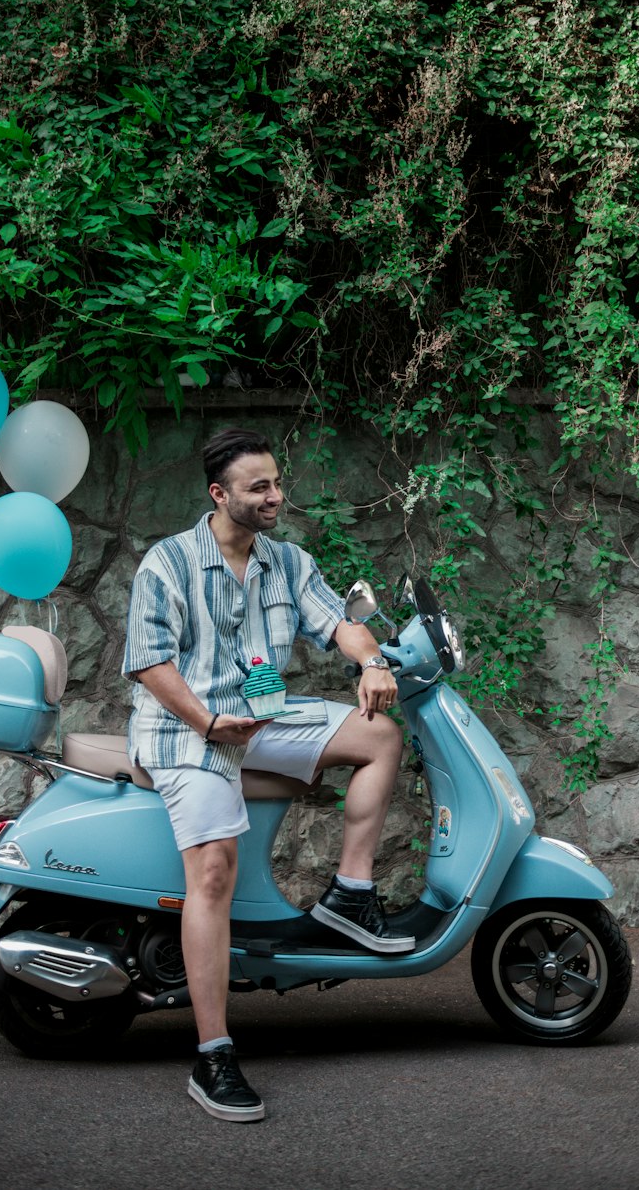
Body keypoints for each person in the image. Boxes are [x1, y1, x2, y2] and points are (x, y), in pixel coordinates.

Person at [122, 427, 414, 1123]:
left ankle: (349, 895)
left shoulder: (286, 563)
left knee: (380, 738)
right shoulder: (167, 564)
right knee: (214, 870)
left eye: (277, 483)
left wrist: (372, 661)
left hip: (259, 717)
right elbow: (149, 663)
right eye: (260, 487)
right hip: (183, 726)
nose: (276, 496)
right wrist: (206, 723)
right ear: (220, 495)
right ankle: (213, 1053)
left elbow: (341, 624)